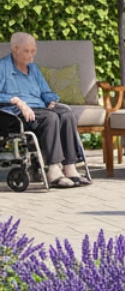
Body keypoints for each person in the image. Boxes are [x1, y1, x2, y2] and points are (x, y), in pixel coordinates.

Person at [0, 32, 90, 187]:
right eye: (27, 51)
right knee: (50, 118)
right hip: (14, 114)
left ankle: (70, 167)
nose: (31, 55)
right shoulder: (2, 68)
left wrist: (50, 101)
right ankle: (53, 170)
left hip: (39, 110)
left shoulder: (33, 69)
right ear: (15, 49)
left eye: (33, 50)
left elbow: (45, 92)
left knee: (67, 114)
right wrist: (16, 101)